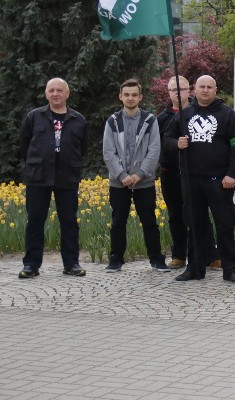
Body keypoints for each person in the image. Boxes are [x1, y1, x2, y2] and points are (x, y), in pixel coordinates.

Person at [165, 75, 235, 283]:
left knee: (224, 225)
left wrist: (231, 174)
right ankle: (195, 269)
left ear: (216, 89)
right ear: (194, 89)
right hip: (191, 180)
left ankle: (231, 269)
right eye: (202, 87)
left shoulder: (228, 115)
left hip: (219, 180)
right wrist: (177, 144)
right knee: (195, 225)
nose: (206, 90)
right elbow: (167, 138)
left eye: (210, 87)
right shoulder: (184, 114)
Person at [18, 78, 89, 279]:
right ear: (46, 93)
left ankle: (71, 263)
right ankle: (31, 265)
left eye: (59, 90)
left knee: (69, 220)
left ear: (68, 93)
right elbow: (24, 144)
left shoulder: (78, 119)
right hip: (38, 176)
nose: (55, 94)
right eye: (51, 90)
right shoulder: (34, 117)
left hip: (67, 175)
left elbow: (83, 147)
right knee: (35, 221)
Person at [102, 79, 169, 273]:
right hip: (118, 181)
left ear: (140, 97)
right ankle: (115, 259)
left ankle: (156, 259)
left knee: (149, 220)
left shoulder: (149, 120)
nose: (130, 98)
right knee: (118, 220)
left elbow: (154, 149)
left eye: (134, 95)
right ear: (120, 97)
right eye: (127, 95)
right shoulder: (113, 121)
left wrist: (139, 174)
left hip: (144, 181)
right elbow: (108, 152)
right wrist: (122, 175)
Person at [157, 76, 218, 270]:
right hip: (171, 171)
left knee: (199, 214)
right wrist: (176, 144)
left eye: (181, 89)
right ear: (168, 93)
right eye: (173, 90)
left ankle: (209, 254)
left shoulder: (197, 113)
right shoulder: (162, 119)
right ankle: (179, 254)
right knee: (176, 214)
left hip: (194, 172)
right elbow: (160, 144)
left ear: (189, 91)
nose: (177, 93)